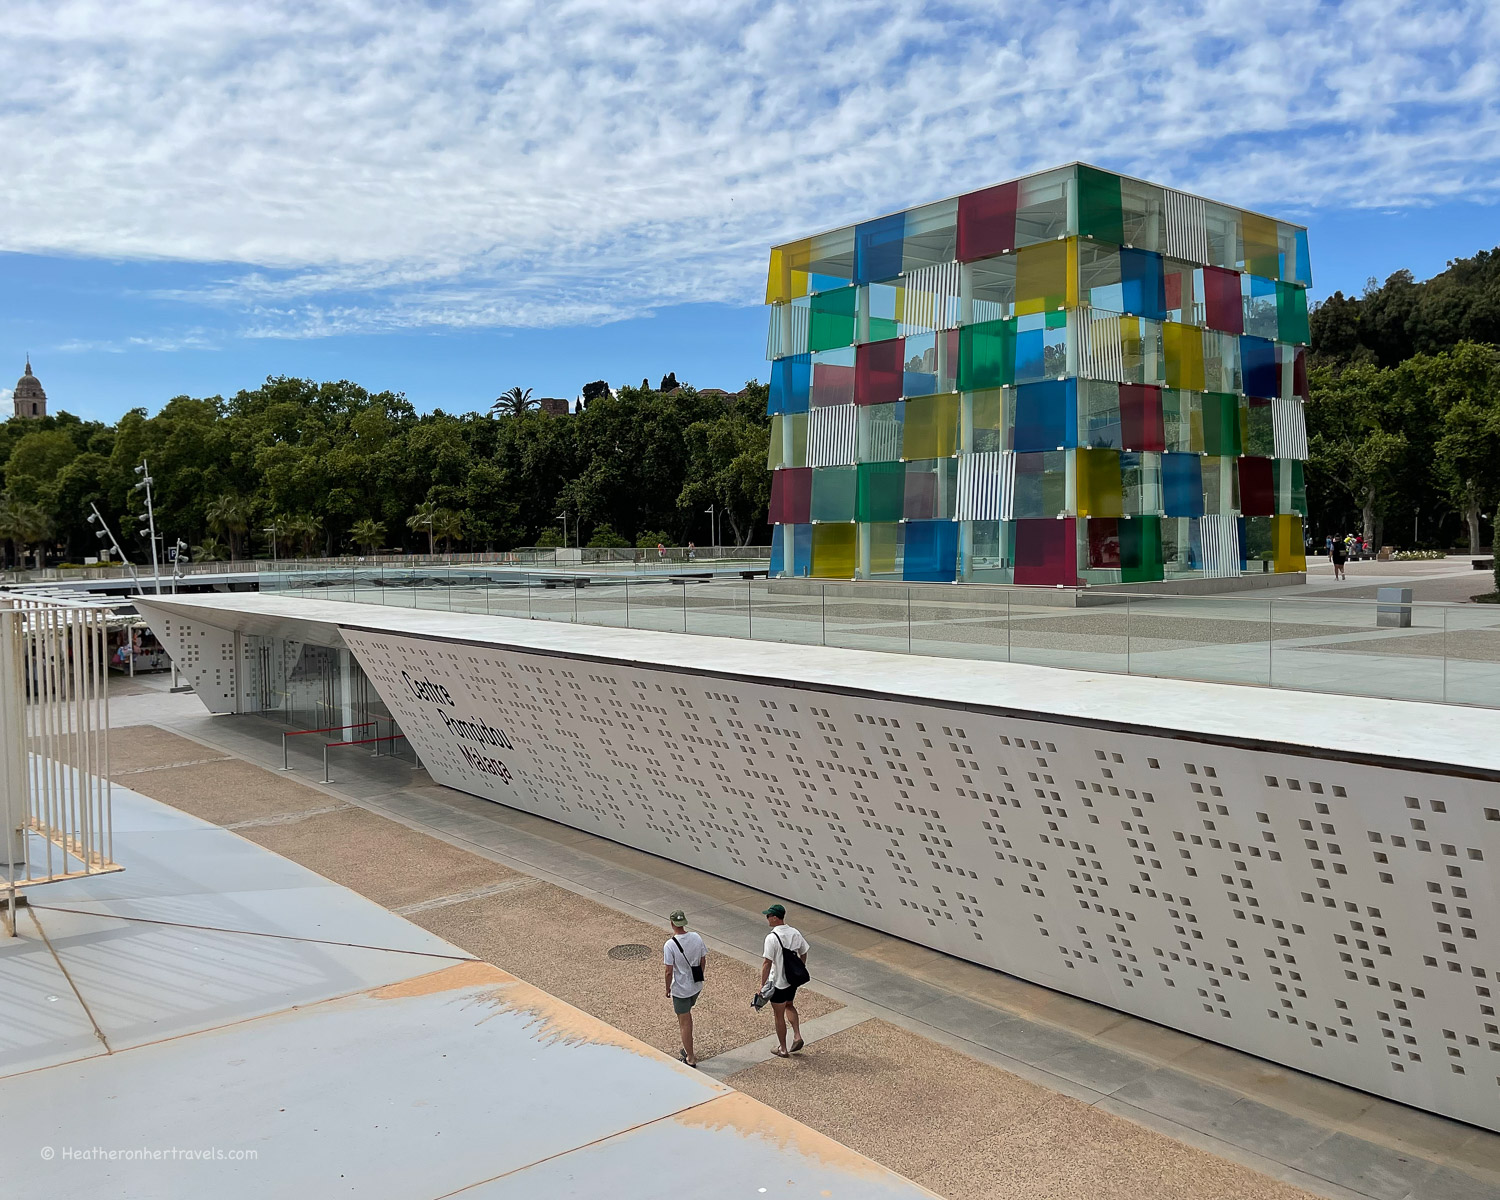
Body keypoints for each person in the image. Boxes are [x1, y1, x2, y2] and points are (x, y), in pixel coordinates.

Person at [759, 903, 809, 1058]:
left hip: (778, 981)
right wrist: (799, 967)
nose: (767, 918)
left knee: (778, 1015)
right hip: (792, 981)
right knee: (790, 1005)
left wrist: (762, 985)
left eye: (768, 915)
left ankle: (783, 1048)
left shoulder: (772, 938)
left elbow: (767, 963)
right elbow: (804, 951)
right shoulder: (795, 933)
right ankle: (797, 1035)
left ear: (775, 918)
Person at [662, 909, 707, 1067]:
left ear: (672, 923)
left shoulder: (670, 945)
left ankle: (690, 1057)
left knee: (685, 1022)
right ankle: (689, 1050)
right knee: (687, 1015)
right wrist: (700, 975)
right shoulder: (696, 937)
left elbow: (669, 971)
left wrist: (667, 989)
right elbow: (703, 959)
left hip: (680, 989)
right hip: (696, 986)